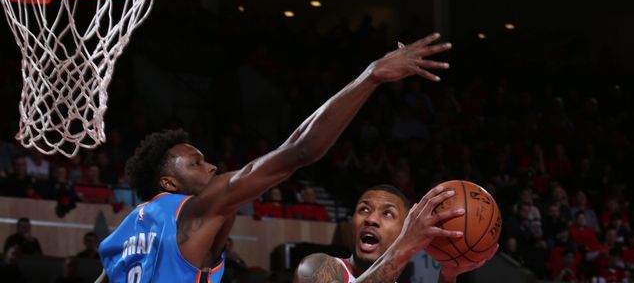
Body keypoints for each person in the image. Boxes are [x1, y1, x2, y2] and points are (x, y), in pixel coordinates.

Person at [98, 34, 452, 282]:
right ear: (169, 183)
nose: (212, 167)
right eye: (195, 164)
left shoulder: (122, 236)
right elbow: (300, 150)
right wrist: (371, 75)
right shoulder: (194, 208)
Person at [293, 184, 497, 282]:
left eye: (387, 214)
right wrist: (406, 245)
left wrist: (448, 276)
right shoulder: (317, 266)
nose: (371, 219)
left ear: (404, 228)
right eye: (364, 209)